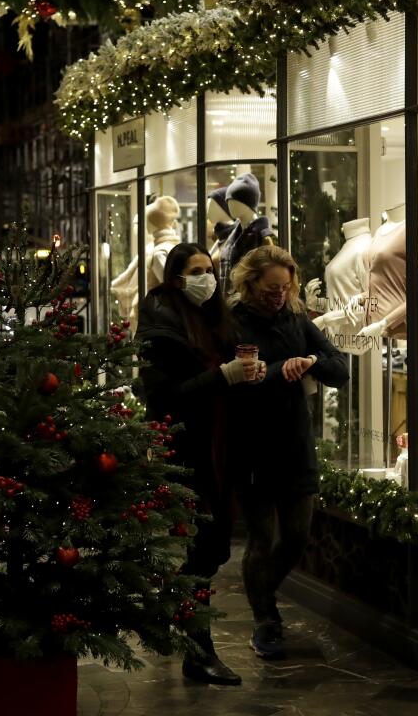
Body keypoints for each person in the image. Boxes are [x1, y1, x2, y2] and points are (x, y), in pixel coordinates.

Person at [135, 242, 263, 686]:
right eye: (196, 270)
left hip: (223, 447)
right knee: (204, 547)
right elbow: (164, 395)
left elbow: (227, 377)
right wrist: (222, 376)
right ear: (175, 277)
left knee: (216, 547)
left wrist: (248, 375)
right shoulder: (161, 326)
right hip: (188, 451)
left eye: (209, 269)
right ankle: (198, 650)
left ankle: (173, 613)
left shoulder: (216, 320)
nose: (206, 277)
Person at [227, 245, 348, 660]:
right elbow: (232, 380)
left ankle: (263, 593)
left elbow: (340, 369)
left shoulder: (297, 318)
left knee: (296, 536)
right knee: (260, 539)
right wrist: (282, 370)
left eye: (285, 286)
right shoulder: (232, 323)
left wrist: (311, 359)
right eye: (270, 287)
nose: (278, 294)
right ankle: (266, 619)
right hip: (252, 444)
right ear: (251, 281)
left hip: (295, 443)